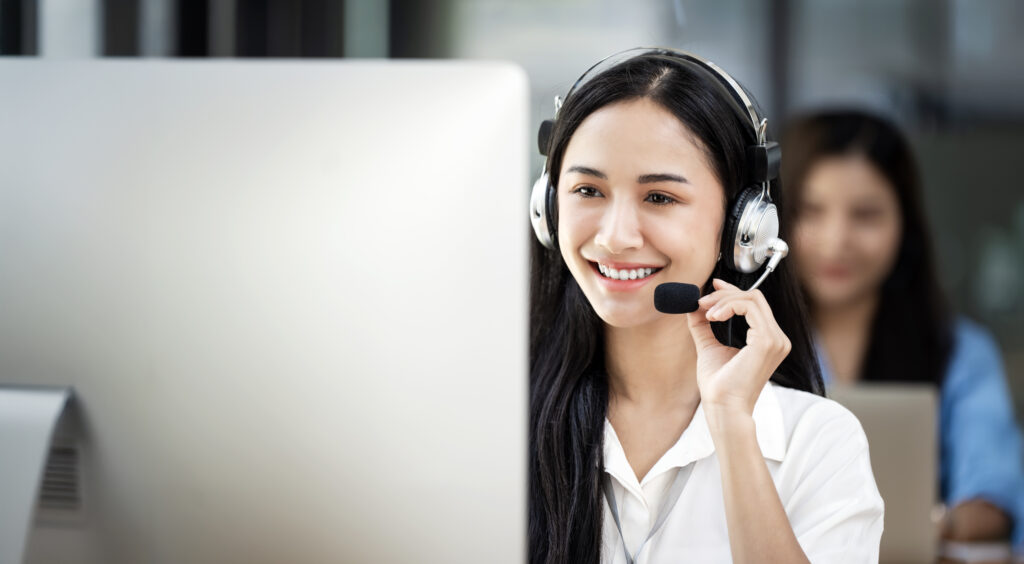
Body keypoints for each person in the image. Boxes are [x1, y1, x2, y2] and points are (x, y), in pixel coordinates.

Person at [527, 48, 883, 564]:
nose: (615, 237)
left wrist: (733, 422)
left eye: (660, 198)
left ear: (745, 228)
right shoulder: (500, 425)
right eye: (588, 190)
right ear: (549, 208)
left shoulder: (820, 442)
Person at [781, 109, 1024, 549]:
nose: (837, 240)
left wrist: (937, 525)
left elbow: (995, 500)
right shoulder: (732, 342)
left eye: (866, 215)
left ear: (904, 224)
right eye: (810, 211)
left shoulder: (959, 351)